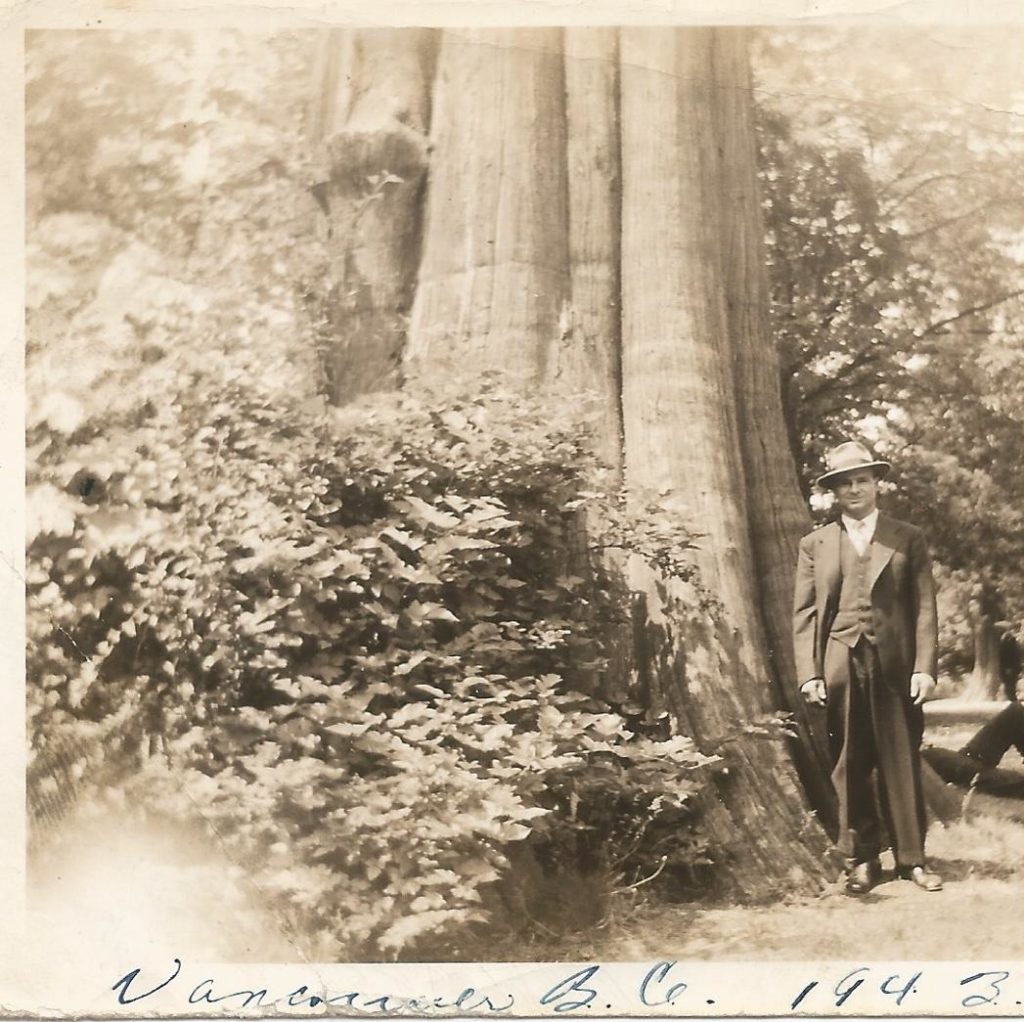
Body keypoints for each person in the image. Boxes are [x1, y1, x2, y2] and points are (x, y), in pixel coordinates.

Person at [793, 441, 942, 895]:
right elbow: (805, 612)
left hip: (895, 665)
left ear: (877, 483)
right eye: (845, 483)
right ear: (835, 492)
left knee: (900, 757)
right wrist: (810, 673)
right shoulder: (815, 543)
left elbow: (924, 609)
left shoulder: (906, 537)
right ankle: (861, 859)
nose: (855, 489)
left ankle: (912, 859)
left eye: (862, 480)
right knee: (850, 760)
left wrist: (925, 667)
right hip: (840, 659)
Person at [996, 621, 1021, 702]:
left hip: (1009, 666)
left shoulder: (1008, 639)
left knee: (1010, 685)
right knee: (1009, 684)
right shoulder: (1005, 639)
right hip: (1007, 666)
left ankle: (1013, 701)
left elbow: (1010, 654)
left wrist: (1008, 666)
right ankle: (1012, 701)